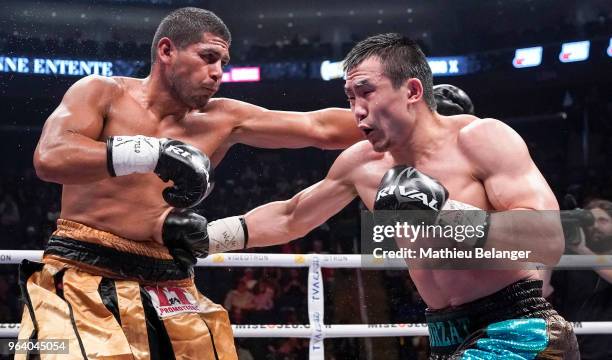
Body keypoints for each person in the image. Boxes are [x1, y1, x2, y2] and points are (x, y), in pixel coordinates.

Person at [204, 33, 579, 358]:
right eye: (350, 97)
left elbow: (547, 239)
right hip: (446, 337)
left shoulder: (481, 139)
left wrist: (446, 212)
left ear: (413, 90)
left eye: (366, 92)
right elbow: (290, 217)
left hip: (519, 331)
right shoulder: (362, 165)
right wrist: (202, 238)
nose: (356, 110)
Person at [18, 7, 362, 359]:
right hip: (82, 274)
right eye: (208, 57)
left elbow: (320, 128)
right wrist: (153, 153)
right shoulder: (101, 92)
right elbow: (51, 157)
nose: (217, 73)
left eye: (223, 63)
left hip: (168, 280)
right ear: (166, 51)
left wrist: (409, 114)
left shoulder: (222, 119)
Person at [547, 199, 612, 359]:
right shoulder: (568, 259)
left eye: (603, 220)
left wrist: (583, 251)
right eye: (590, 221)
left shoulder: (584, 254)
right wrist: (549, 247)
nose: (595, 226)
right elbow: (543, 290)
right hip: (568, 349)